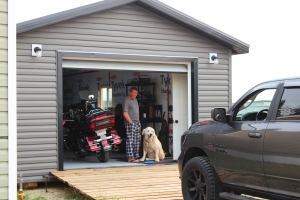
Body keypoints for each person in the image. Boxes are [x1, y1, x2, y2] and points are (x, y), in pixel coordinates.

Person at [123, 87, 141, 163]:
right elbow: (125, 113)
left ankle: (136, 156)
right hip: (131, 123)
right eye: (134, 93)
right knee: (130, 140)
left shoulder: (135, 99)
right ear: (130, 92)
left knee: (137, 140)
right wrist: (131, 122)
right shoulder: (126, 101)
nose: (135, 95)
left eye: (136, 93)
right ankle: (130, 157)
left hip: (137, 122)